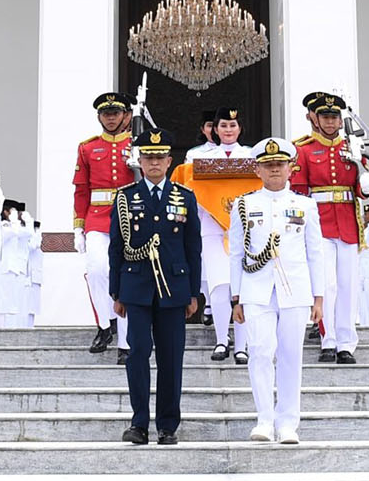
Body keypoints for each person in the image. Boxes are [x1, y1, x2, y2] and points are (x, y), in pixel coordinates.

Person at [109, 130, 203, 445]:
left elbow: (193, 248)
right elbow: (116, 246)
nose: (154, 162)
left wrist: (193, 292)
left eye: (159, 157)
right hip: (135, 286)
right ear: (140, 160)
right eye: (148, 157)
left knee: (171, 357)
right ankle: (139, 424)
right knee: (137, 354)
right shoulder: (126, 197)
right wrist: (116, 291)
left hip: (174, 288)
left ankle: (167, 426)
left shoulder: (184, 197)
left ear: (168, 161)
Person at [229, 138, 326, 444]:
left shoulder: (305, 205)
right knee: (259, 352)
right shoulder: (245, 205)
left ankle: (287, 423)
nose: (274, 170)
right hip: (256, 289)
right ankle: (264, 420)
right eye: (268, 165)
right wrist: (236, 297)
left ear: (290, 169)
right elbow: (235, 254)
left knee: (290, 355)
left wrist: (318, 297)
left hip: (295, 291)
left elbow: (315, 253)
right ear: (257, 169)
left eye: (279, 165)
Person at [291, 94, 368, 363]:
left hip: (347, 220)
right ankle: (328, 339)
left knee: (348, 285)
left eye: (335, 117)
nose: (331, 122)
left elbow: (361, 187)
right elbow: (299, 190)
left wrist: (365, 181)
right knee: (327, 285)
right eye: (326, 117)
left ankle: (347, 343)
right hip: (319, 222)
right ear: (316, 119)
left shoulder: (353, 145)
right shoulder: (304, 149)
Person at [178, 107, 256, 361]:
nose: (228, 130)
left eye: (233, 125)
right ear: (214, 129)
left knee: (242, 289)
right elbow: (188, 191)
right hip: (211, 228)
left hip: (246, 229)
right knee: (219, 288)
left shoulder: (252, 156)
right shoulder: (199, 159)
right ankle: (222, 340)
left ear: (240, 128)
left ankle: (242, 345)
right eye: (223, 125)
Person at [73, 92, 135, 355]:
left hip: (130, 217)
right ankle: (104, 323)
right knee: (97, 270)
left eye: (115, 113)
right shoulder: (87, 147)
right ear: (99, 116)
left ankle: (125, 339)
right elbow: (81, 189)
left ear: (125, 116)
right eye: (106, 114)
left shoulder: (137, 144)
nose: (110, 118)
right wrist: (78, 226)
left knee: (127, 275)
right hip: (97, 218)